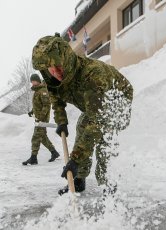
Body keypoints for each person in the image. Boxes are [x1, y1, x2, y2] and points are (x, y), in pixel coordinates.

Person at [31, 33, 133, 195]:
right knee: (82, 126)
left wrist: (75, 159)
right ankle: (78, 180)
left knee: (103, 140)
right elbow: (57, 101)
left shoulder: (92, 74)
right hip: (95, 104)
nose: (56, 72)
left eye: (59, 66)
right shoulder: (53, 79)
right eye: (51, 69)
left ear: (67, 60)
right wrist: (61, 121)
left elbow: (96, 122)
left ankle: (108, 185)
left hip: (117, 99)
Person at [22, 74, 60, 166]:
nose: (32, 82)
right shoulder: (37, 90)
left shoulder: (43, 90)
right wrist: (32, 111)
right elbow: (38, 104)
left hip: (41, 120)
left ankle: (33, 158)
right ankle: (54, 152)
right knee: (42, 137)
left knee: (35, 137)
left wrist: (41, 117)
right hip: (39, 118)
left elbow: (46, 105)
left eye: (34, 80)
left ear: (38, 80)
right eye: (31, 81)